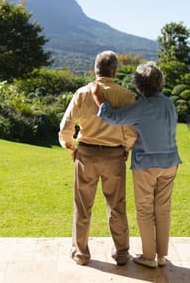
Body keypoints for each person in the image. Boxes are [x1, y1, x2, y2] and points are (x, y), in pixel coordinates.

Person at [90, 61, 182, 269]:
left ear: (139, 84)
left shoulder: (142, 106)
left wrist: (99, 98)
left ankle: (149, 256)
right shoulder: (169, 103)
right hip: (171, 163)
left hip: (147, 165)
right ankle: (161, 256)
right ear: (160, 82)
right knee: (163, 209)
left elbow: (112, 117)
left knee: (144, 210)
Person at [59, 50, 138, 266]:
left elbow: (65, 127)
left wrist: (71, 148)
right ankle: (121, 253)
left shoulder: (83, 93)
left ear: (95, 70)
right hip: (114, 156)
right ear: (114, 71)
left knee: (82, 206)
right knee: (117, 206)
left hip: (86, 154)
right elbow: (132, 131)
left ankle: (81, 253)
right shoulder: (125, 96)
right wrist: (126, 148)